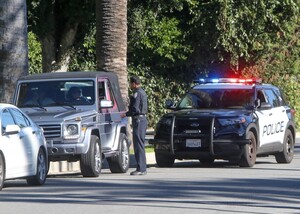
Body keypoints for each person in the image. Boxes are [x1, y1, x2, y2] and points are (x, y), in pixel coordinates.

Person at [123, 76, 148, 175]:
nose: (130, 85)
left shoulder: (137, 93)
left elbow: (135, 109)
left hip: (138, 120)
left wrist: (126, 114)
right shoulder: (143, 92)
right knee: (140, 144)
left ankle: (140, 168)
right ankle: (142, 168)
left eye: (130, 83)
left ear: (134, 83)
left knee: (138, 145)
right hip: (142, 120)